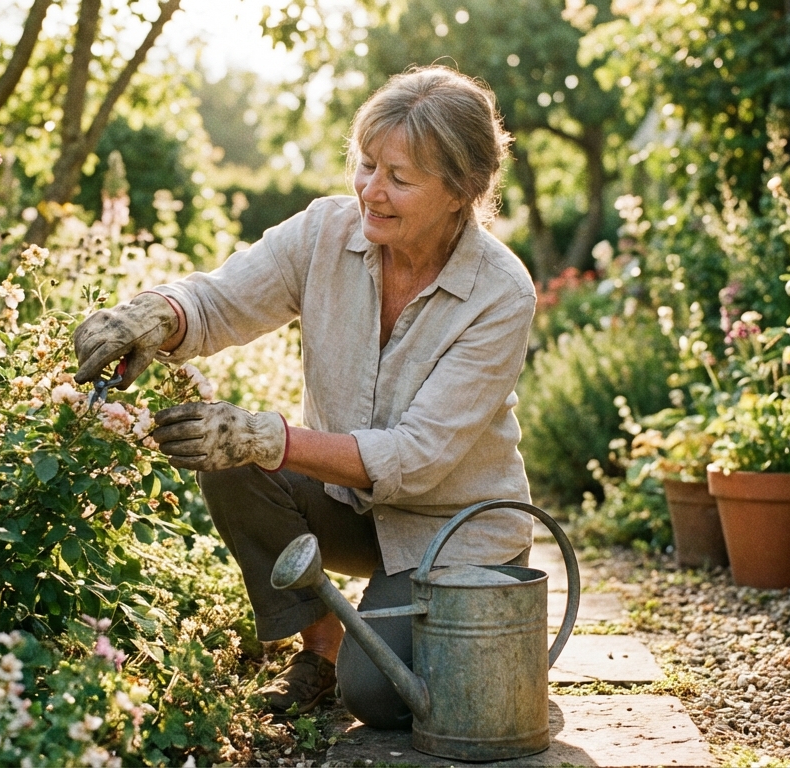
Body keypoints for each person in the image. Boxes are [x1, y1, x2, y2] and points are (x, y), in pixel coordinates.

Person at [72, 65, 537, 730]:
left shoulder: (500, 293)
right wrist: (156, 314)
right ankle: (320, 654)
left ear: (460, 191)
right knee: (229, 461)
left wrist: (270, 437)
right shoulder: (325, 233)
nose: (371, 190)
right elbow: (224, 297)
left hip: (451, 532)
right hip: (351, 506)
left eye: (398, 178)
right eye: (366, 164)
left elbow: (422, 457)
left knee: (380, 698)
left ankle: (479, 628)